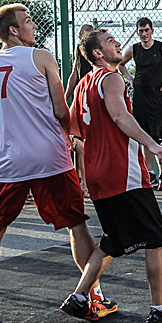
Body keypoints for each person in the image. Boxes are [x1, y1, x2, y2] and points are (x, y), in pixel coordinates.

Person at [0, 4, 115, 323]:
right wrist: (75, 135)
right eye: (28, 21)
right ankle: (94, 296)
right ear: (14, 30)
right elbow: (62, 112)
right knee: (76, 224)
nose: (33, 26)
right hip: (50, 159)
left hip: (8, 165)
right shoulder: (42, 57)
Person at [63, 29, 162, 323]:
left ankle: (79, 297)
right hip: (123, 173)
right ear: (97, 54)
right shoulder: (111, 78)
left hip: (97, 175)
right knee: (156, 240)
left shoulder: (82, 85)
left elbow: (72, 130)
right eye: (110, 41)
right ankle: (159, 309)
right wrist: (153, 144)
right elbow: (120, 117)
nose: (118, 43)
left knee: (112, 242)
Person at [119, 17, 162, 191]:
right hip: (139, 98)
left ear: (152, 31)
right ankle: (150, 174)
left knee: (157, 138)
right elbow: (121, 64)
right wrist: (130, 78)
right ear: (137, 32)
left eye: (146, 30)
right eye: (141, 31)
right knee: (144, 137)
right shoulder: (134, 49)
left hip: (156, 98)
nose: (144, 34)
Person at [65, 23, 95, 197]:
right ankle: (81, 181)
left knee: (90, 143)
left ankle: (87, 181)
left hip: (93, 97)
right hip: (81, 97)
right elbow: (75, 73)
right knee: (79, 142)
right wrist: (66, 96)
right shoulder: (79, 50)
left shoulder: (98, 51)